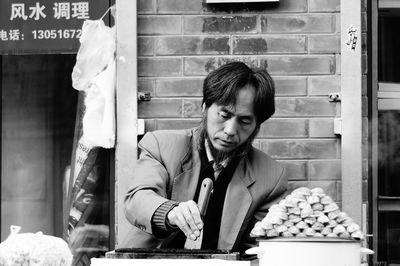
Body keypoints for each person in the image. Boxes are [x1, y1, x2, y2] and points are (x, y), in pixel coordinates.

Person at [123, 61, 288, 254]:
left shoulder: (270, 177)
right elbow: (137, 199)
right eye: (224, 115)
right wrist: (169, 212)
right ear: (205, 107)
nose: (230, 131)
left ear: (257, 125)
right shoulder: (161, 146)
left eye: (244, 121)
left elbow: (256, 249)